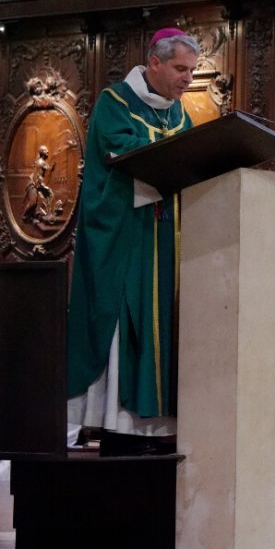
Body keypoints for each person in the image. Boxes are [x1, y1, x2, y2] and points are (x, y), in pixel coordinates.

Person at [66, 28, 200, 452]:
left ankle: (158, 425)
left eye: (192, 71)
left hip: (168, 239)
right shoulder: (116, 103)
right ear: (155, 62)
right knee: (126, 318)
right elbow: (124, 154)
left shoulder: (180, 115)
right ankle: (116, 420)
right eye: (181, 69)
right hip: (126, 239)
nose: (188, 79)